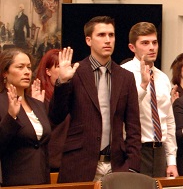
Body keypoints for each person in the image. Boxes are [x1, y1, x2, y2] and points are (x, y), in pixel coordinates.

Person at [48, 16, 141, 183]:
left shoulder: (126, 77)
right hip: (79, 164)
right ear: (88, 40)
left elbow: (134, 126)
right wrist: (62, 82)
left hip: (117, 165)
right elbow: (56, 117)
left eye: (111, 35)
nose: (108, 40)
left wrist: (132, 165)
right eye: (101, 35)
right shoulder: (75, 72)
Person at [121, 22, 178, 177]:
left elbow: (168, 120)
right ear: (132, 47)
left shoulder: (163, 77)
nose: (152, 47)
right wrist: (143, 86)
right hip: (134, 149)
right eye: (145, 43)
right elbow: (123, 111)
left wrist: (171, 160)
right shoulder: (124, 74)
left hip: (159, 151)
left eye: (154, 42)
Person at [0, 48, 51, 186]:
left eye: (29, 67)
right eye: (20, 67)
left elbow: (43, 147)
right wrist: (11, 117)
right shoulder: (1, 103)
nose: (27, 72)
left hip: (42, 181)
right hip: (14, 182)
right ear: (5, 72)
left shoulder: (37, 104)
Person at [35, 49, 69, 172]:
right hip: (50, 162)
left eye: (67, 65)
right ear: (48, 71)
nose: (65, 69)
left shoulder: (71, 93)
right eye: (59, 66)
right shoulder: (39, 96)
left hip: (70, 160)